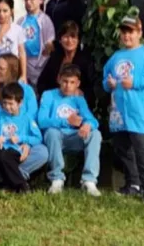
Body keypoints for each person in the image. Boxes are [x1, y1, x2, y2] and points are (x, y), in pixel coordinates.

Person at [104, 15, 144, 206]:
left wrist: (136, 83)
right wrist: (109, 84)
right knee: (122, 148)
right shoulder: (116, 57)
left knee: (142, 150)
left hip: (138, 112)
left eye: (130, 32)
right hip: (118, 113)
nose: (126, 36)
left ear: (139, 33)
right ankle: (133, 183)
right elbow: (105, 79)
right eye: (123, 32)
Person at [0, 54, 47, 182]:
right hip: (0, 140)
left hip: (20, 141)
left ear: (12, 70)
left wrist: (27, 143)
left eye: (1, 68)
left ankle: (9, 176)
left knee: (42, 152)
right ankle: (9, 176)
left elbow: (31, 119)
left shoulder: (27, 90)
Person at [38, 64, 102, 196]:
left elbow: (93, 120)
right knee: (52, 132)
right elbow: (41, 121)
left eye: (72, 82)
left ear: (77, 84)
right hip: (54, 138)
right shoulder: (49, 95)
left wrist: (87, 125)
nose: (68, 85)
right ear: (59, 79)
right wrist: (66, 121)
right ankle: (57, 178)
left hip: (73, 137)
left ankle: (89, 180)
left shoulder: (79, 99)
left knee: (95, 134)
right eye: (65, 81)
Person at [0, 82, 42, 193]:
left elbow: (38, 137)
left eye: (11, 104)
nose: (7, 107)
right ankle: (2, 183)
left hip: (16, 151)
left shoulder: (26, 118)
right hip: (2, 148)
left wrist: (21, 139)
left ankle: (21, 184)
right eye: (4, 103)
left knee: (5, 156)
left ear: (20, 103)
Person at [36, 21, 96, 108]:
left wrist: (82, 94)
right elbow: (41, 83)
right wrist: (49, 97)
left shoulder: (85, 61)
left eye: (73, 37)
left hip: (75, 105)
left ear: (78, 40)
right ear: (60, 39)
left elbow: (91, 88)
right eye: (66, 37)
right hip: (53, 103)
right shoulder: (55, 57)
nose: (69, 40)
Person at [17, 0, 55, 87]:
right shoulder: (21, 21)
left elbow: (49, 43)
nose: (28, 2)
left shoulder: (45, 20)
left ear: (40, 0)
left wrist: (42, 61)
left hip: (39, 64)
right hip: (24, 62)